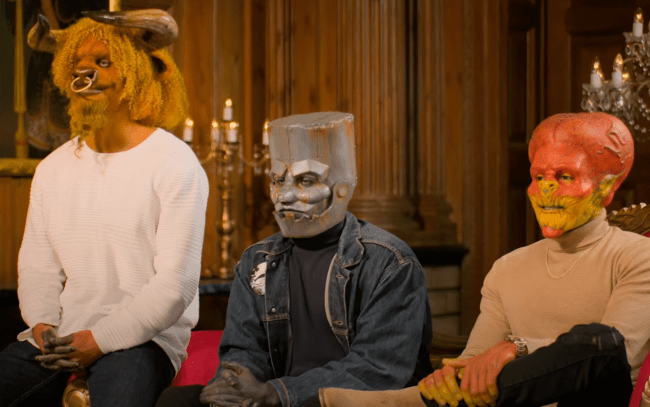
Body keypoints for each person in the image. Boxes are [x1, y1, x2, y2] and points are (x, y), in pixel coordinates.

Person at [318, 112, 650, 407]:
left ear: (606, 188)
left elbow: (622, 352)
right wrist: (451, 377)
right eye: (538, 177)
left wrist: (518, 347)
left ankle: (411, 403)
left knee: (601, 343)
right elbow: (475, 360)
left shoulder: (639, 256)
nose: (546, 191)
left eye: (564, 177)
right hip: (512, 403)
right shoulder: (508, 268)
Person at [0, 9, 209, 407]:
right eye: (77, 65)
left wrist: (99, 340)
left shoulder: (175, 163)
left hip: (145, 340)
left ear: (135, 71)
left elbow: (174, 286)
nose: (86, 75)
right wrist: (43, 325)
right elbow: (38, 267)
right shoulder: (52, 168)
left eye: (103, 62)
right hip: (61, 334)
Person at [156, 112, 433, 407]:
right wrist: (233, 388)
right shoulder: (257, 261)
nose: (284, 195)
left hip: (346, 402)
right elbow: (244, 350)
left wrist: (277, 393)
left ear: (341, 190)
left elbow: (378, 369)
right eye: (278, 180)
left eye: (305, 181)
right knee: (176, 400)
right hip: (273, 399)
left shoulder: (390, 263)